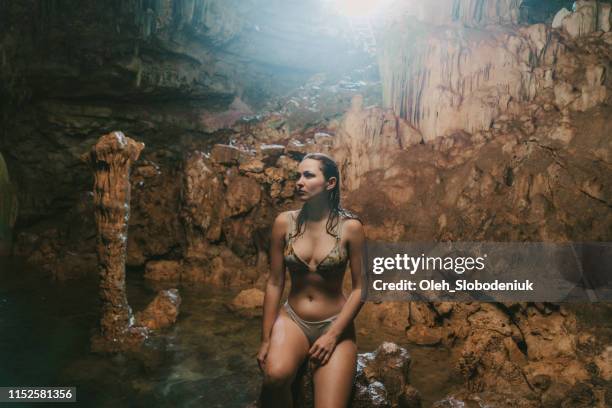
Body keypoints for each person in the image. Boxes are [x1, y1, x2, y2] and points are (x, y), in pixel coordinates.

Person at [257, 152, 365, 407]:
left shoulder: (350, 228)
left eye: (308, 175)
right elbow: (274, 282)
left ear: (330, 183)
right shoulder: (284, 223)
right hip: (292, 318)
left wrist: (333, 335)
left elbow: (362, 287)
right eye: (298, 175)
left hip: (333, 323)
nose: (299, 182)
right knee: (274, 377)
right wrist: (265, 338)